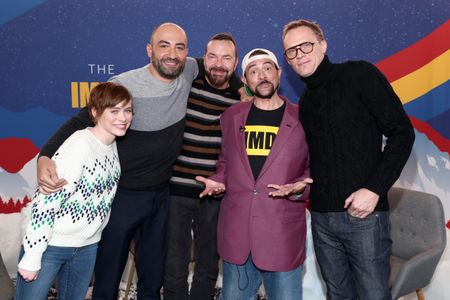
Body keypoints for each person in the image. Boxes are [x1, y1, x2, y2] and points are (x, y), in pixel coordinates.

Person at [37, 23, 199, 299]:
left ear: (186, 53)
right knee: (108, 276)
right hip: (122, 195)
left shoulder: (191, 70)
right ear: (149, 50)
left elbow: (222, 68)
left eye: (179, 47)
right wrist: (44, 155)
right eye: (164, 45)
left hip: (161, 195)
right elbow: (79, 120)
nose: (172, 54)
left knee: (153, 276)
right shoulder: (125, 85)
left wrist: (245, 92)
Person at [282, 19, 415, 300]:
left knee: (373, 295)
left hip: (364, 217)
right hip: (321, 218)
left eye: (305, 45)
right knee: (338, 295)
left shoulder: (359, 74)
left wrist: (375, 189)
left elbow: (402, 133)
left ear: (323, 45)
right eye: (291, 51)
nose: (299, 54)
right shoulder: (306, 101)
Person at [196, 48, 312, 300]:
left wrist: (299, 188)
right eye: (254, 71)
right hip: (237, 234)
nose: (262, 76)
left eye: (268, 68)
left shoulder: (304, 118)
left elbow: (310, 171)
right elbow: (226, 163)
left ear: (279, 73)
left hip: (281, 235)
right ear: (245, 80)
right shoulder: (230, 117)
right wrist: (218, 181)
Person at [14, 82, 133, 300]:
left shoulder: (111, 144)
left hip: (86, 248)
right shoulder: (80, 145)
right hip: (51, 245)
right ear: (95, 113)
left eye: (127, 110)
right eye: (114, 111)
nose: (123, 118)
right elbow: (45, 202)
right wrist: (32, 255)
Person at [163, 33, 242, 300]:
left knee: (208, 263)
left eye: (226, 58)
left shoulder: (240, 97)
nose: (218, 64)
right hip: (176, 190)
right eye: (212, 56)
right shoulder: (186, 83)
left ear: (236, 63)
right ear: (202, 58)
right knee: (174, 262)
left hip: (215, 194)